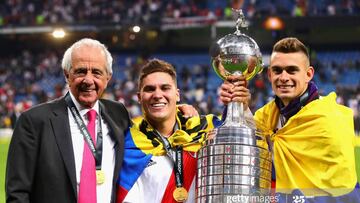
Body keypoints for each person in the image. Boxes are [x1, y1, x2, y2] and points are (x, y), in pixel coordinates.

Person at [221, 37, 359, 201]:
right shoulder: (267, 114)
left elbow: (340, 189)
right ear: (270, 74)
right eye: (278, 70)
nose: (284, 77)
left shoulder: (328, 118)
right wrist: (238, 106)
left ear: (308, 74)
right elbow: (249, 150)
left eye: (292, 70)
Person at [6, 38, 131, 203]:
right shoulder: (34, 121)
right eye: (80, 71)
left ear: (108, 77)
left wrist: (176, 113)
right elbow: (17, 194)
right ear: (67, 74)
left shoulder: (118, 113)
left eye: (96, 72)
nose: (88, 80)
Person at [116, 58, 249, 202]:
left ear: (177, 94)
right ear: (139, 98)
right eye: (150, 89)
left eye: (165, 88)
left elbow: (245, 144)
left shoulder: (205, 127)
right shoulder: (128, 141)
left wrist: (241, 105)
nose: (157, 95)